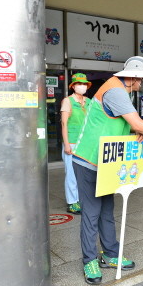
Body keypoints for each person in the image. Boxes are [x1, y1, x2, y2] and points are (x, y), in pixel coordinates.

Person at [71, 56, 143, 285]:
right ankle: (89, 260)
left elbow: (124, 123)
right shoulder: (116, 91)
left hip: (105, 161)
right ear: (133, 77)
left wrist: (136, 131)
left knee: (106, 211)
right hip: (88, 161)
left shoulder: (121, 89)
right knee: (91, 213)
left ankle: (111, 254)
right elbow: (137, 122)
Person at [60, 73, 91, 214]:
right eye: (79, 84)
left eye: (84, 84)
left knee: (84, 173)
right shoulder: (68, 101)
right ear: (73, 86)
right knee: (71, 173)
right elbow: (64, 123)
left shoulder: (89, 101)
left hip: (85, 143)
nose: (82, 86)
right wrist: (66, 144)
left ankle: (83, 199)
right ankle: (72, 202)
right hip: (71, 142)